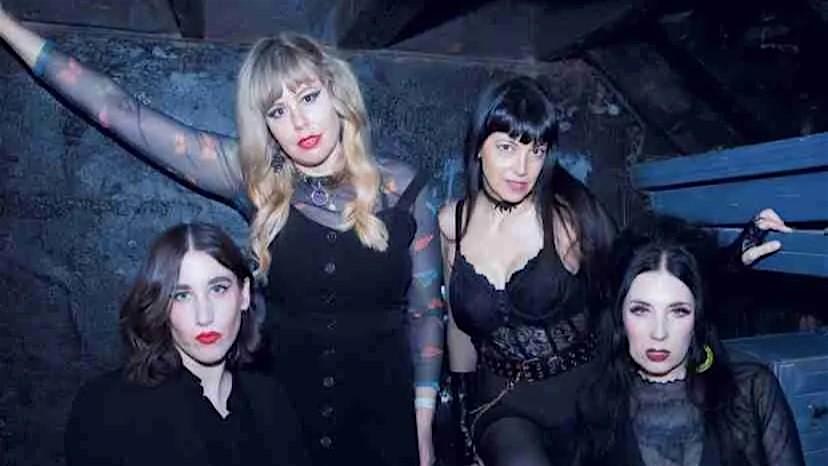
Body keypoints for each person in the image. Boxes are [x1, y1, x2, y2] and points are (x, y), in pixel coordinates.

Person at [0, 6, 443, 465]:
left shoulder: (403, 189)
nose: (298, 122)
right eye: (277, 110)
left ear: (337, 94)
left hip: (383, 419)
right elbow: (117, 109)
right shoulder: (257, 182)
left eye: (308, 97)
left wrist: (423, 426)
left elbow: (427, 312)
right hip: (283, 421)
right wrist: (5, 26)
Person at [438, 75, 793, 466]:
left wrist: (731, 261)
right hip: (502, 403)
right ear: (478, 147)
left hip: (586, 394)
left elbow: (642, 271)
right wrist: (459, 405)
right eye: (506, 147)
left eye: (536, 150)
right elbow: (459, 324)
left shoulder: (569, 219)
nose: (523, 168)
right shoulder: (451, 223)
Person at [64, 222, 310, 466]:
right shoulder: (106, 409)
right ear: (160, 305)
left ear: (244, 294)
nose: (204, 316)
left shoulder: (272, 401)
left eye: (218, 289)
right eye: (182, 295)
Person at [574, 216, 805, 466]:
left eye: (678, 311)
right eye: (641, 310)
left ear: (698, 317)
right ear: (619, 314)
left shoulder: (750, 392)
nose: (659, 333)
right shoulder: (595, 403)